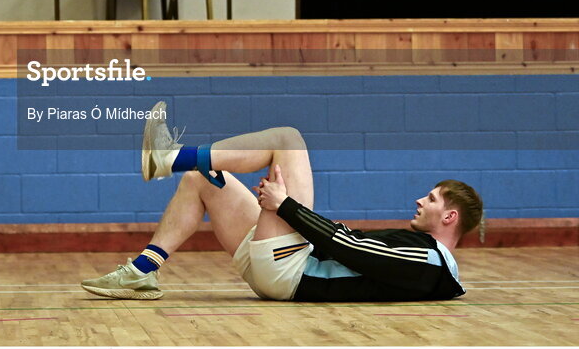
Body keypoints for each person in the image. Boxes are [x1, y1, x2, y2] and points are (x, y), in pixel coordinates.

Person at [81, 101, 484, 302]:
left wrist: (283, 204)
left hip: (291, 272)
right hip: (284, 270)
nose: (419, 199)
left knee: (287, 140)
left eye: (430, 199)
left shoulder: (431, 261)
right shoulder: (430, 263)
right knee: (200, 180)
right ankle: (141, 272)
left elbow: (349, 248)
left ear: (449, 216)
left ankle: (168, 156)